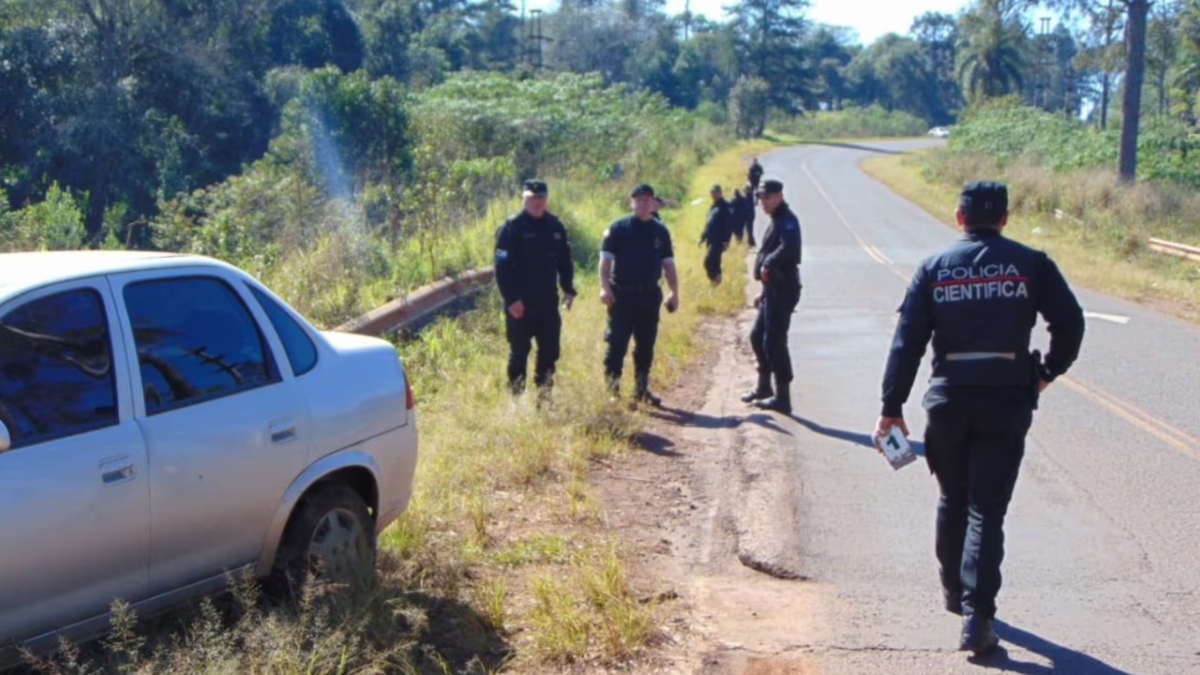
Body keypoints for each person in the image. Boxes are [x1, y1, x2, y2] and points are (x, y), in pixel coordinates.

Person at [873, 180, 1085, 655]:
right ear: (1005, 219)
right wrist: (1046, 372)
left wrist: (892, 407)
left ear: (959, 217)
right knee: (986, 509)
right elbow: (1070, 322)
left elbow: (906, 343)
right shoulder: (1032, 263)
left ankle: (954, 593)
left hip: (948, 400)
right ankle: (977, 617)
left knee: (952, 497)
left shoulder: (934, 268)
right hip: (1006, 401)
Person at [493, 179, 577, 397]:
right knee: (519, 353)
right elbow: (501, 269)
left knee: (550, 353)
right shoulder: (511, 228)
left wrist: (568, 289)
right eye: (532, 197)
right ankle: (516, 401)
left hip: (548, 303)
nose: (536, 202)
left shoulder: (555, 226)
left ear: (546, 199)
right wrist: (512, 300)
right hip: (520, 305)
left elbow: (565, 262)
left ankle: (544, 398)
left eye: (541, 197)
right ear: (523, 198)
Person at [599, 183, 681, 407]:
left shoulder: (660, 231)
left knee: (646, 345)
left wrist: (674, 292)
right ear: (631, 201)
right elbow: (605, 261)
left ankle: (641, 389)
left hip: (649, 296)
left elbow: (668, 264)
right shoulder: (618, 228)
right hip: (621, 297)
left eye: (647, 199)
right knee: (617, 345)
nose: (643, 203)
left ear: (654, 202)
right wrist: (604, 287)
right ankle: (613, 392)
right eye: (639, 199)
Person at [741, 178, 801, 413]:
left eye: (768, 197)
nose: (764, 202)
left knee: (775, 341)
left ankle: (783, 398)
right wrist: (763, 294)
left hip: (784, 289)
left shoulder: (788, 221)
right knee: (758, 337)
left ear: (779, 196)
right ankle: (764, 387)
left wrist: (768, 262)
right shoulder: (776, 219)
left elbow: (790, 248)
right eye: (761, 198)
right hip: (772, 291)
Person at [699, 184, 733, 285]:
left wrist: (726, 240)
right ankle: (716, 284)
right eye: (712, 192)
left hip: (719, 241)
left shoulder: (726, 206)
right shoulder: (712, 206)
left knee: (707, 262)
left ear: (720, 192)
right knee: (715, 262)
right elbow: (708, 224)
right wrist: (702, 237)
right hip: (711, 239)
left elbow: (729, 225)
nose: (713, 194)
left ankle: (715, 279)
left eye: (715, 192)